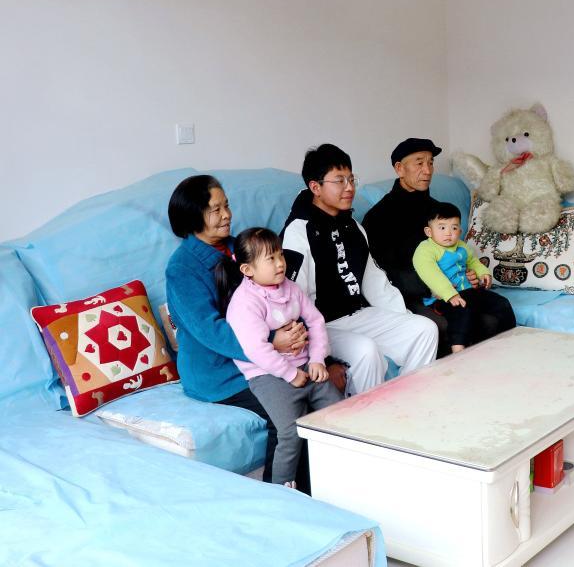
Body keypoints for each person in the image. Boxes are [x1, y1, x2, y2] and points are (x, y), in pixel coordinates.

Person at [165, 175, 307, 482]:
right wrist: (272, 341)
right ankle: (281, 494)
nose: (227, 215)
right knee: (290, 410)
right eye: (215, 210)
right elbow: (211, 331)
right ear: (193, 217)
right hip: (219, 372)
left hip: (261, 357)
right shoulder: (182, 269)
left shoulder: (238, 248)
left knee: (318, 389)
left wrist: (295, 333)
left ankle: (318, 490)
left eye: (226, 206)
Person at [281, 144, 438, 396]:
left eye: (351, 179)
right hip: (322, 325)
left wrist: (403, 318)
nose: (349, 187)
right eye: (339, 181)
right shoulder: (298, 231)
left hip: (358, 315)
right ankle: (366, 416)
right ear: (315, 187)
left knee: (424, 329)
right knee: (366, 350)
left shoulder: (353, 226)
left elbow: (376, 284)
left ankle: (411, 401)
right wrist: (322, 358)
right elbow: (293, 301)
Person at [216, 227, 343, 488]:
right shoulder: (245, 303)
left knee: (339, 412)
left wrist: (317, 359)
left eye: (280, 255)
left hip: (305, 364)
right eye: (270, 259)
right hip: (267, 374)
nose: (280, 263)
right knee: (289, 430)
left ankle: (339, 474)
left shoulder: (291, 288)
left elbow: (316, 321)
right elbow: (256, 349)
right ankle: (283, 489)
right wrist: (290, 374)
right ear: (247, 270)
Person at [362, 137, 490, 356]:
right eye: (419, 163)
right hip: (412, 295)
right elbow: (382, 272)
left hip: (453, 289)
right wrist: (433, 287)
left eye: (431, 163)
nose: (428, 170)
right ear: (399, 169)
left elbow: (457, 251)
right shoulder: (378, 217)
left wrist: (467, 273)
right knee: (442, 328)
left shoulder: (438, 211)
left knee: (491, 315)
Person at [412, 202, 516, 353]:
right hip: (443, 298)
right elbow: (430, 274)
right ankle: (458, 349)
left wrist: (483, 273)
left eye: (454, 228)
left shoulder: (462, 246)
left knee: (502, 303)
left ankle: (510, 338)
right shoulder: (425, 250)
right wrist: (449, 293)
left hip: (468, 292)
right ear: (429, 231)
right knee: (462, 310)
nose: (448, 233)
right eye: (442, 228)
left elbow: (473, 261)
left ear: (460, 231)